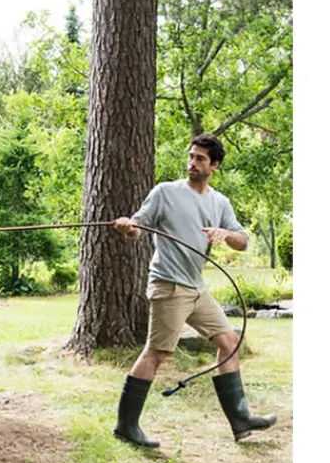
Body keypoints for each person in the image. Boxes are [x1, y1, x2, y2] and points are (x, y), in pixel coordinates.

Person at [111, 133, 277, 447]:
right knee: (157, 353)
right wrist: (126, 225)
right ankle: (126, 425)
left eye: (200, 159)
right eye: (191, 156)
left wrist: (225, 234)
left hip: (196, 287)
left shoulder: (220, 202)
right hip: (169, 284)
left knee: (230, 341)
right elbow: (137, 226)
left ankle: (240, 419)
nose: (192, 163)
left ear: (214, 165)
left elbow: (243, 241)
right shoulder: (165, 192)